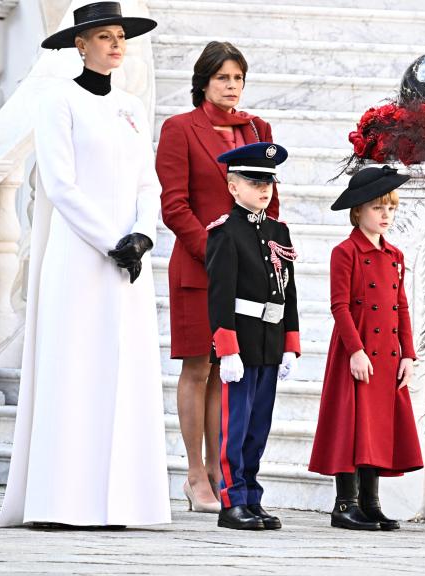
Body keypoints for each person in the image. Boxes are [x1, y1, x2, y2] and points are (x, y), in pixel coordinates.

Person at [0, 1, 170, 528]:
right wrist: (110, 239)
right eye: (105, 36)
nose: (116, 45)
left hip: (129, 262)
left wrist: (142, 234)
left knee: (123, 373)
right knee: (72, 369)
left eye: (121, 36)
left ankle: (122, 501)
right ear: (81, 44)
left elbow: (148, 182)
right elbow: (61, 184)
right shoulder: (58, 100)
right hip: (78, 254)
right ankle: (58, 502)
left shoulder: (133, 109)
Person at [156, 41, 279, 514]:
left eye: (238, 78)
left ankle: (219, 470)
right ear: (203, 81)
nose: (231, 86)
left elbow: (271, 198)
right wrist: (219, 253)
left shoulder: (258, 129)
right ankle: (193, 474)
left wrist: (266, 256)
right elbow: (174, 204)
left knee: (231, 374)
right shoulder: (180, 129)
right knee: (198, 367)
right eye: (223, 77)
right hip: (198, 266)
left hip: (249, 273)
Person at [308, 166, 422, 531]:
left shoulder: (395, 255)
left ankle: (371, 503)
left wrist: (408, 353)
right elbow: (339, 306)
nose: (385, 215)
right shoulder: (346, 252)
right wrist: (355, 351)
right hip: (355, 352)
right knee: (352, 426)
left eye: (390, 208)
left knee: (377, 427)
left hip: (388, 354)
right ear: (357, 211)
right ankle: (345, 504)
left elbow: (401, 305)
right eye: (377, 208)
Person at [205, 142, 299, 531]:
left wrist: (290, 344)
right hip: (241, 342)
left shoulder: (279, 230)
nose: (264, 189)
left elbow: (288, 290)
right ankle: (232, 500)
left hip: (270, 341)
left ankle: (253, 498)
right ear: (233, 187)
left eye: (269, 182)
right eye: (254, 181)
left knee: (259, 424)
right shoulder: (226, 232)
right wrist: (227, 349)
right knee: (237, 424)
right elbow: (220, 294)